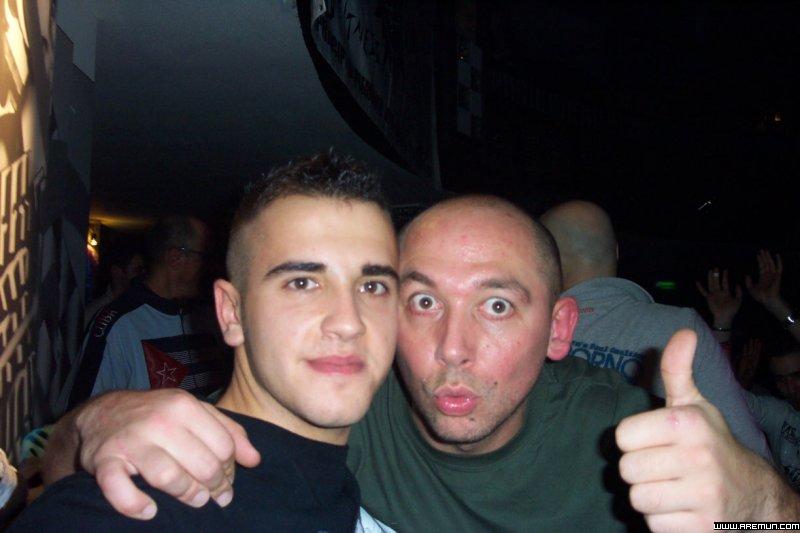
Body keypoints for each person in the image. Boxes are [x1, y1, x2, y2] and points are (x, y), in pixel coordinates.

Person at [44, 195, 800, 531]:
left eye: (496, 305)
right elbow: (48, 471)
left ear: (559, 328)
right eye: (423, 300)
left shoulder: (627, 434)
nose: (452, 348)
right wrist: (95, 422)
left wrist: (765, 512)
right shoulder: (345, 412)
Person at [14, 152, 399, 531]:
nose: (349, 323)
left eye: (374, 286)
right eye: (302, 283)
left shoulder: (347, 492)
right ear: (231, 312)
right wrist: (83, 427)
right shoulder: (137, 505)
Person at [540, 199, 771, 460]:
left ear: (548, 261)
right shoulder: (679, 327)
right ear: (616, 251)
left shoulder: (528, 333)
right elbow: (750, 453)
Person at [62, 215, 228, 411]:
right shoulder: (118, 324)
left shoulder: (209, 317)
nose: (210, 267)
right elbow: (84, 413)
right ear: (175, 258)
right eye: (203, 256)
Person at [84, 244, 145, 328]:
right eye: (137, 270)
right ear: (116, 272)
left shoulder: (141, 308)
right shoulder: (95, 313)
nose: (142, 275)